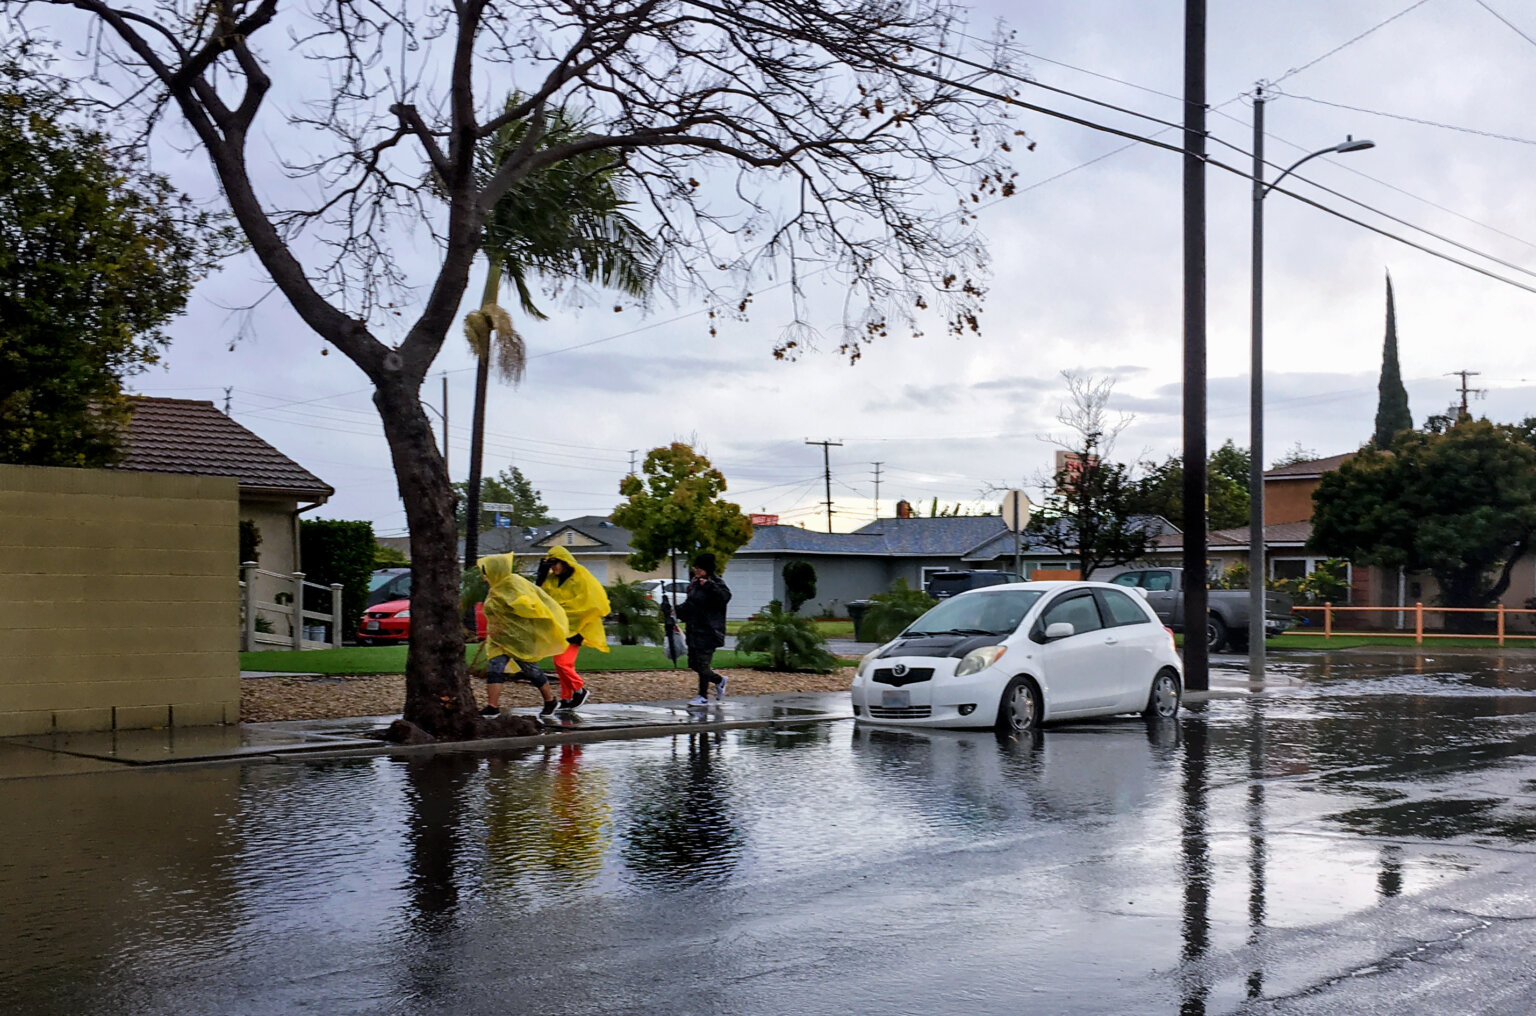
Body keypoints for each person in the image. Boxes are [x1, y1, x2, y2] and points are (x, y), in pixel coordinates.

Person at [477, 552, 568, 719]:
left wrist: (517, 604)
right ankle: (492, 706)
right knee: (495, 668)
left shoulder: (513, 584)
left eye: (486, 572)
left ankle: (550, 700)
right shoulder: (496, 587)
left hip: (519, 638)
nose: (484, 577)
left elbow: (528, 604)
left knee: (531, 671)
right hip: (499, 639)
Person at [537, 546, 611, 712]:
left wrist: (579, 630)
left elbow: (594, 603)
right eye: (550, 564)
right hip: (560, 628)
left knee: (562, 662)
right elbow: (540, 597)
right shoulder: (551, 580)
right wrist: (540, 576)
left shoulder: (581, 578)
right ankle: (567, 697)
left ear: (565, 562)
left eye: (555, 563)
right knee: (560, 665)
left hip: (579, 629)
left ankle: (579, 689)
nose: (553, 567)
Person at [674, 552, 732, 707]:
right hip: (694, 629)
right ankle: (719, 681)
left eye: (699, 568)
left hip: (709, 631)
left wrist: (709, 587)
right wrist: (675, 611)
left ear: (707, 568)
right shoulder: (694, 584)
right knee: (693, 663)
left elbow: (724, 598)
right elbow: (690, 605)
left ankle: (703, 695)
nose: (696, 570)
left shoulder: (716, 583)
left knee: (702, 664)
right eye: (695, 568)